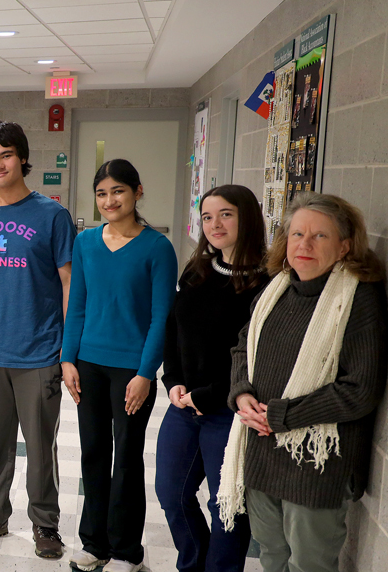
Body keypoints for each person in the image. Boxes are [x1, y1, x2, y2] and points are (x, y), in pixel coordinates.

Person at [219, 192, 387, 572]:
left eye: (320, 236)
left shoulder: (357, 299)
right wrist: (242, 394)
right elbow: (243, 349)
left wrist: (281, 415)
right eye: (297, 235)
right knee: (271, 555)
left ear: (345, 246)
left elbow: (360, 390)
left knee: (310, 564)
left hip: (316, 463)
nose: (304, 245)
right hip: (262, 451)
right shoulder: (276, 289)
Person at [0, 120, 73, 559]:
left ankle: (46, 524)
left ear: (22, 158)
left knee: (41, 446)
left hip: (38, 351)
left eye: (6, 155)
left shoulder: (52, 215)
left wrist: (66, 348)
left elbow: (67, 283)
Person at [62, 159, 178, 572]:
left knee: (127, 456)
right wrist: (67, 359)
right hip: (88, 365)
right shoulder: (86, 243)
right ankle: (94, 543)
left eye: (118, 191)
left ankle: (127, 550)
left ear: (137, 192)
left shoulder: (157, 248)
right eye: (101, 193)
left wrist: (146, 374)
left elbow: (161, 318)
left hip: (132, 370)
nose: (109, 200)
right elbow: (76, 307)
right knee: (93, 452)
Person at [157, 185, 267, 572]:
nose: (214, 224)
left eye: (226, 214)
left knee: (226, 507)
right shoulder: (198, 270)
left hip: (230, 411)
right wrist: (172, 381)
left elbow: (258, 358)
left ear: (247, 218)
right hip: (184, 406)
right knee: (171, 494)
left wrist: (208, 393)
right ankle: (193, 564)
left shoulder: (268, 282)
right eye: (207, 217)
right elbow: (174, 329)